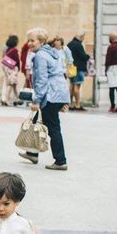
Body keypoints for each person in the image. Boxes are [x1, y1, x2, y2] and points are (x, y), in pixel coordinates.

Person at [19, 27, 70, 171]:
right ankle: (32, 152)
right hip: (58, 93)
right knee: (37, 120)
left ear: (41, 42)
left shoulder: (40, 56)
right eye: (28, 40)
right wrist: (64, 100)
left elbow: (41, 80)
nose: (29, 43)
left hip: (50, 94)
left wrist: (36, 101)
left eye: (32, 40)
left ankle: (60, 161)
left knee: (53, 127)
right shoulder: (52, 53)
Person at [67, 30, 90, 111]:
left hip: (71, 68)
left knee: (71, 86)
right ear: (81, 37)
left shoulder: (69, 44)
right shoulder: (78, 44)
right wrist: (87, 56)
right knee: (77, 86)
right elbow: (83, 56)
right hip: (79, 68)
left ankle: (70, 104)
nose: (83, 38)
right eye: (83, 37)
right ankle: (77, 105)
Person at [1, 35, 20, 106]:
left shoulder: (8, 49)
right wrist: (18, 68)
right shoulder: (15, 50)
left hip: (7, 68)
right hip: (12, 68)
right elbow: (17, 60)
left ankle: (17, 99)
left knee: (14, 84)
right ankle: (6, 99)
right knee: (11, 84)